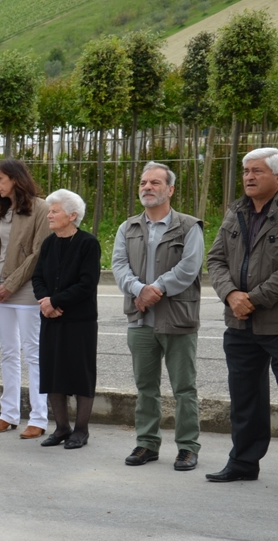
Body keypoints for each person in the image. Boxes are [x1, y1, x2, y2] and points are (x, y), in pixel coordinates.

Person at [111, 162, 204, 471]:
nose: (147, 187)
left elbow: (189, 268)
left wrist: (156, 289)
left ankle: (188, 447)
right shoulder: (128, 227)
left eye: (154, 182)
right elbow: (119, 266)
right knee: (145, 387)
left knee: (184, 388)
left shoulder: (190, 227)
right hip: (140, 321)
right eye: (143, 182)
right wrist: (139, 289)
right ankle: (147, 443)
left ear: (170, 189)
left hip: (177, 319)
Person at [205, 147, 278, 482]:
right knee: (245, 397)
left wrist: (255, 298)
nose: (248, 177)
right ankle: (244, 462)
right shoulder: (236, 212)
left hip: (273, 320)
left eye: (257, 171)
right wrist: (232, 295)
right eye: (246, 171)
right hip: (239, 322)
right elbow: (216, 259)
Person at [0, 159, 51, 438]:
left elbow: (38, 254)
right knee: (8, 353)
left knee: (33, 354)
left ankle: (39, 417)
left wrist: (9, 285)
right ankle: (8, 414)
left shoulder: (41, 208)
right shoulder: (3, 211)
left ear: (15, 178)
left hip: (24, 292)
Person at [32, 189, 100, 450]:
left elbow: (86, 283)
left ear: (72, 216)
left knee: (80, 374)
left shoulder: (88, 243)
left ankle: (81, 430)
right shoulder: (49, 243)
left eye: (54, 211)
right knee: (52, 372)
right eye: (49, 210)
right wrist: (44, 302)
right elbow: (38, 277)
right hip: (51, 318)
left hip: (79, 321)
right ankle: (61, 427)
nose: (49, 214)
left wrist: (55, 301)